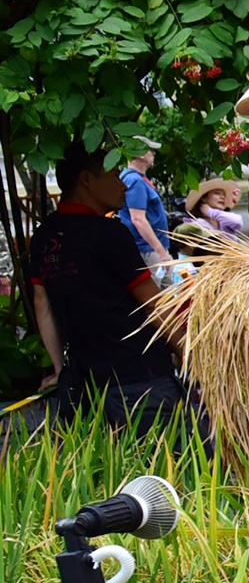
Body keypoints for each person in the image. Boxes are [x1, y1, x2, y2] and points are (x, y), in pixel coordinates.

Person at [27, 143, 188, 431]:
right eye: (114, 175)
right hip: (140, 377)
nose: (123, 185)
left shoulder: (44, 235)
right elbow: (153, 302)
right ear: (87, 180)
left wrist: (60, 369)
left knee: (115, 469)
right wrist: (188, 353)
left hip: (88, 383)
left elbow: (43, 304)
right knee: (173, 465)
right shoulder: (109, 233)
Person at [118, 143, 173, 264]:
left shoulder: (134, 178)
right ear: (141, 154)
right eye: (151, 150)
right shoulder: (135, 180)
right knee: (157, 283)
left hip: (149, 249)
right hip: (148, 251)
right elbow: (138, 219)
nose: (153, 154)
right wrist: (160, 251)